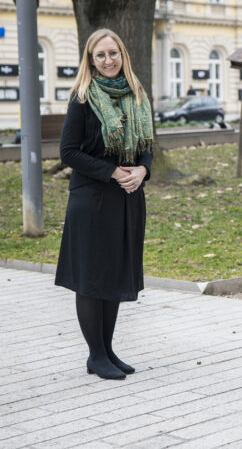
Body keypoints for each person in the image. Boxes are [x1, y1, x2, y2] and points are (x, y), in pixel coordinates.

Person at [55, 28, 153, 381]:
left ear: (122, 55)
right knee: (91, 279)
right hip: (92, 200)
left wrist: (142, 170)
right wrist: (113, 172)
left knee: (113, 275)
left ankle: (108, 350)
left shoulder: (137, 96)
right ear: (91, 61)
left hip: (127, 199)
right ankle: (95, 355)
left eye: (113, 53)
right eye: (101, 56)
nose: (108, 60)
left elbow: (146, 147)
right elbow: (68, 152)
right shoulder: (82, 98)